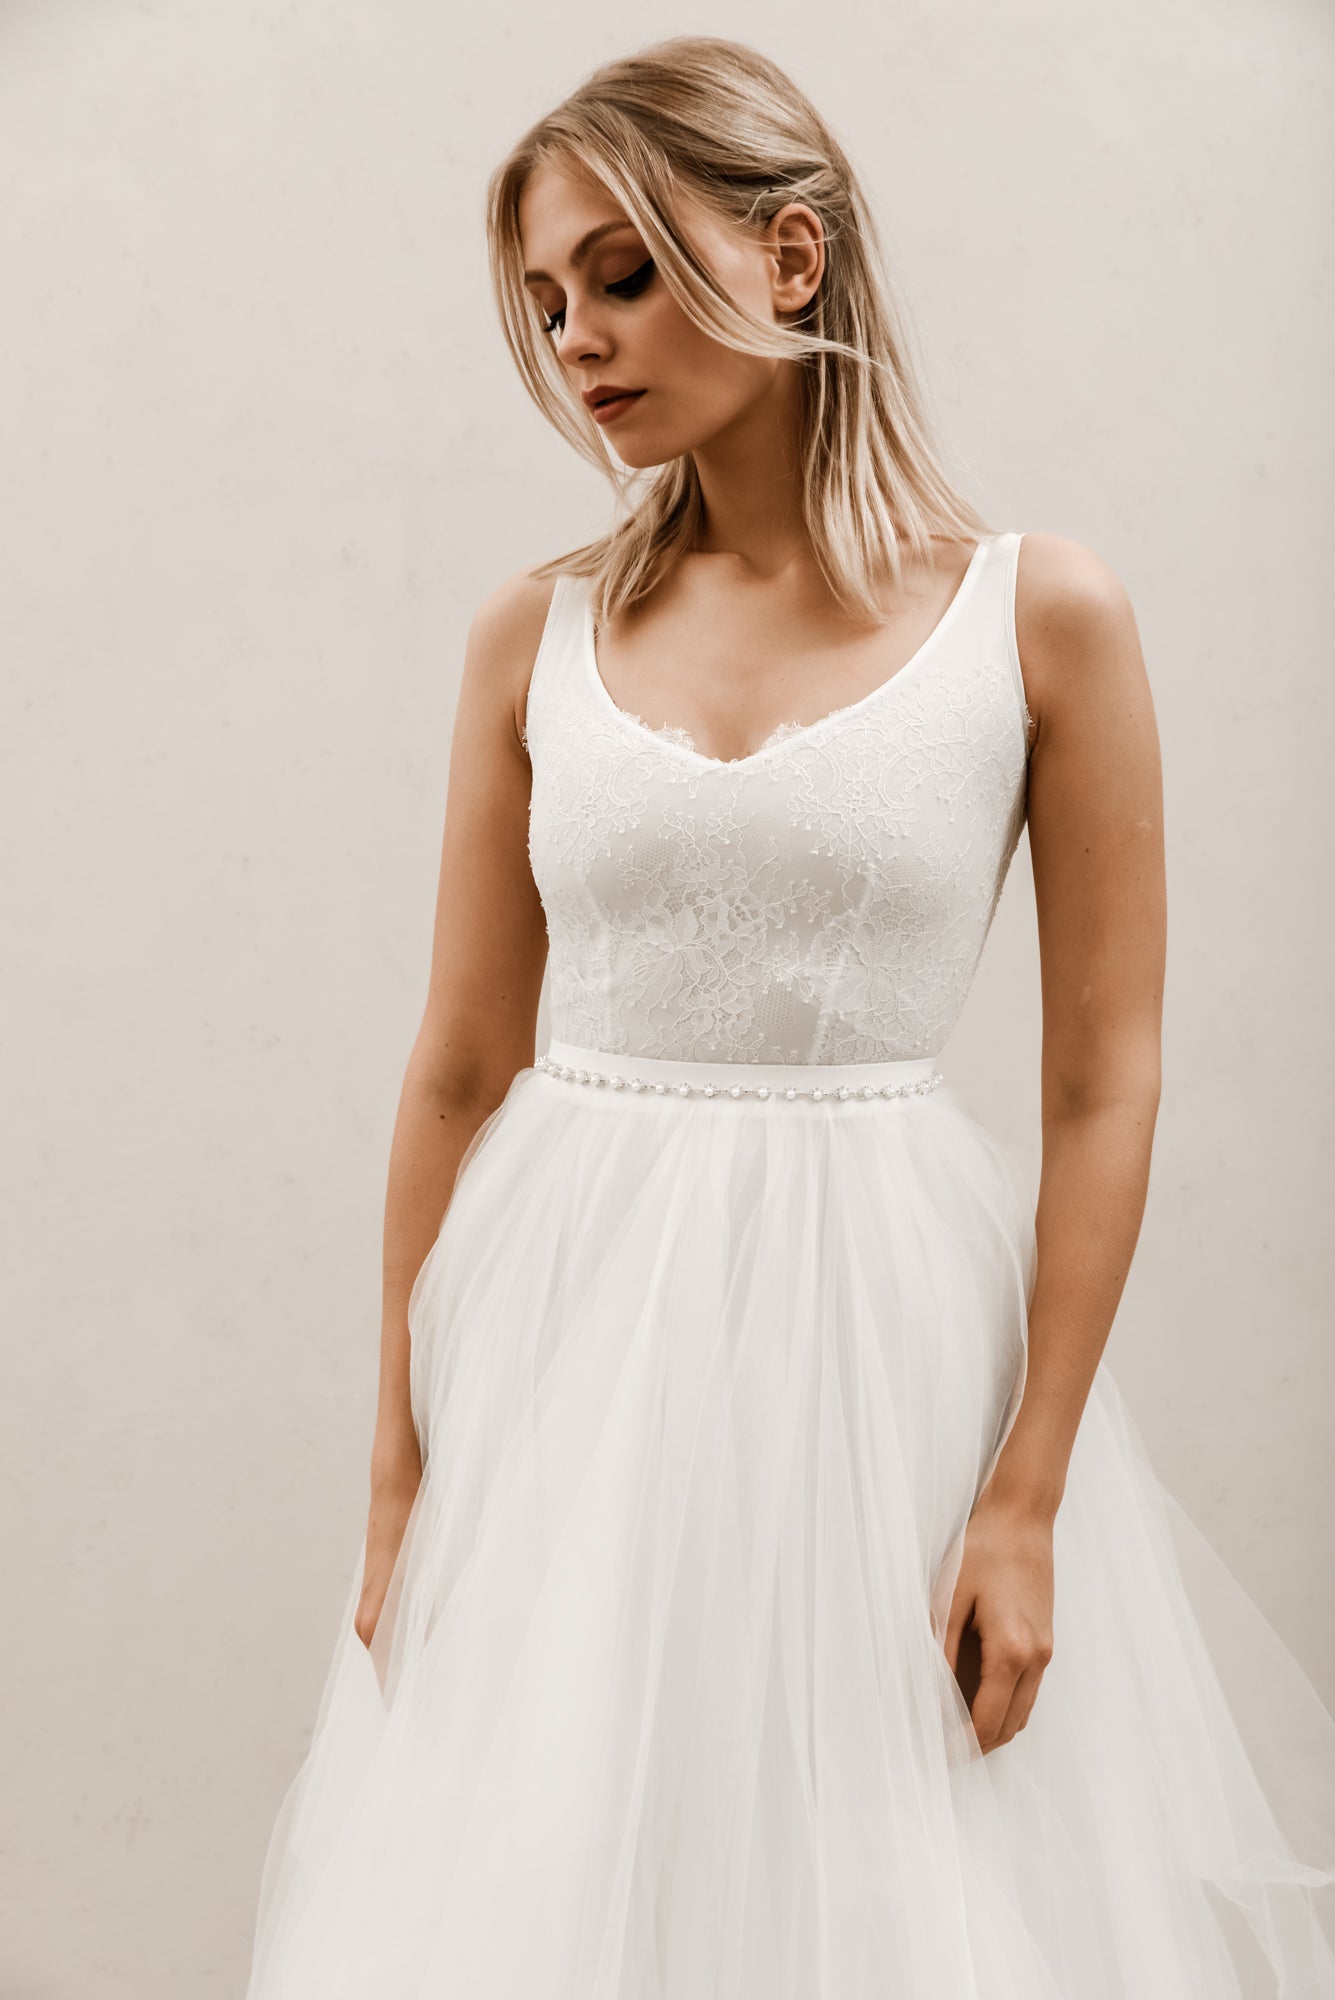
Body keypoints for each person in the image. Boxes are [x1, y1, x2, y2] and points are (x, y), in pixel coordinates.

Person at [244, 35, 1335, 1997]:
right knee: (567, 1876)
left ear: (793, 254)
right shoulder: (533, 633)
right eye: (545, 301)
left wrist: (1026, 1492)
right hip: (568, 1351)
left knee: (879, 1879)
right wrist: (398, 1478)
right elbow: (460, 1067)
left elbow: (1103, 1079)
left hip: (882, 1349)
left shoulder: (1039, 618)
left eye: (621, 273)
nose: (577, 339)